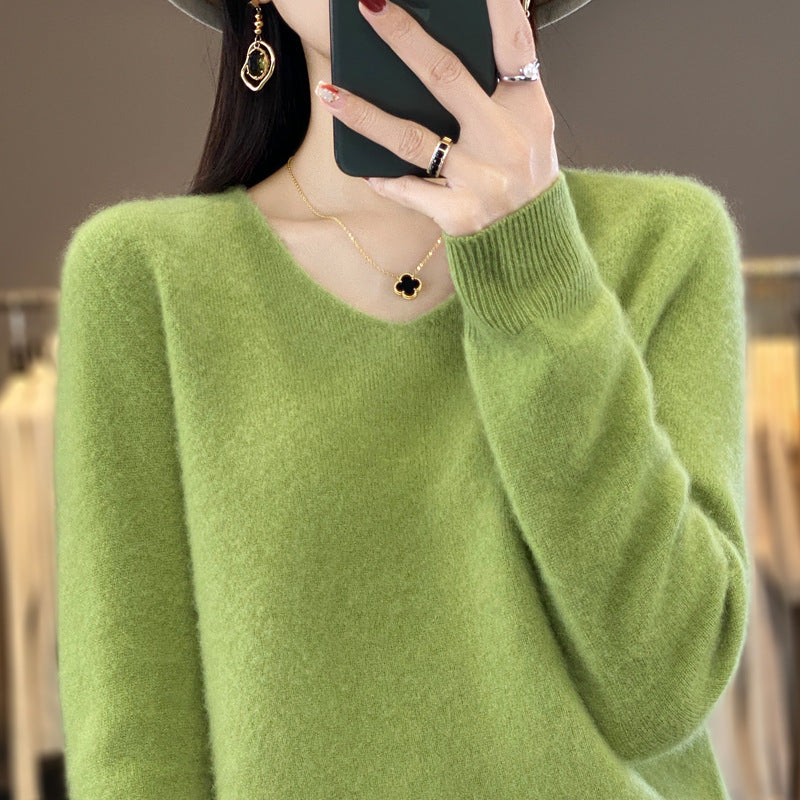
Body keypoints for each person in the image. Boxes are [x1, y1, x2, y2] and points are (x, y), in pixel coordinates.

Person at [53, 0, 751, 798]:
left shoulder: (665, 242)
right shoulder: (142, 278)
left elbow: (665, 694)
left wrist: (532, 262)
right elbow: (135, 754)